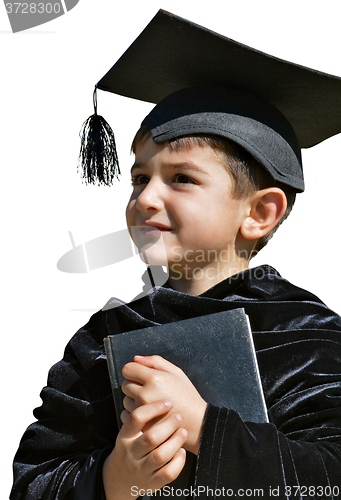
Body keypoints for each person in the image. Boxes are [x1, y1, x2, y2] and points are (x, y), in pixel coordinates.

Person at [11, 10, 341, 500]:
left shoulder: (308, 338)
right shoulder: (103, 339)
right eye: (140, 178)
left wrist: (207, 429)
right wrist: (113, 480)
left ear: (260, 213)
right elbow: (34, 481)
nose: (145, 198)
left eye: (182, 178)